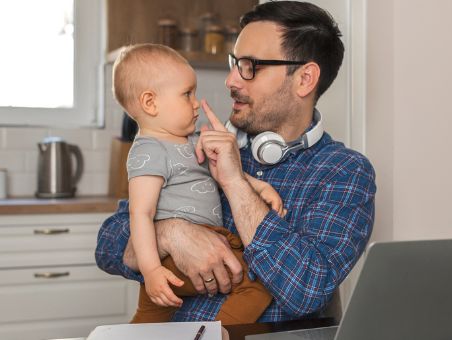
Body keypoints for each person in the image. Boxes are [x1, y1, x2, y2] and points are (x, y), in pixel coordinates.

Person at [97, 1, 376, 322]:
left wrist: (234, 182)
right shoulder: (194, 147)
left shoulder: (344, 171)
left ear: (305, 79)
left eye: (250, 66)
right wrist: (171, 233)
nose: (231, 80)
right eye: (234, 62)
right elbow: (107, 243)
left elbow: (307, 289)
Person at [112, 43, 286, 325]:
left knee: (148, 320)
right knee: (259, 284)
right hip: (171, 260)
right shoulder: (148, 150)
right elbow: (139, 213)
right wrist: (152, 270)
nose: (196, 103)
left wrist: (261, 188)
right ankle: (222, 333)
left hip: (194, 250)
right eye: (186, 94)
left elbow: (225, 173)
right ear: (150, 103)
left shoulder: (193, 142)